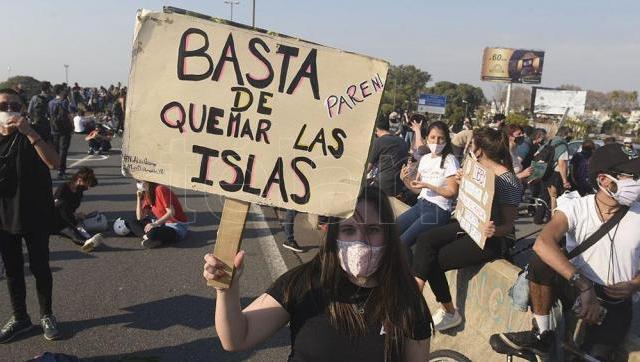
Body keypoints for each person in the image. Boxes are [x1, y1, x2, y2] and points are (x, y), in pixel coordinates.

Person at [203, 186, 432, 361]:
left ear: (389, 235)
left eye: (373, 230)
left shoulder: (407, 299)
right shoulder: (304, 282)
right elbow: (236, 337)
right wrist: (227, 289)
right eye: (348, 230)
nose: (360, 241)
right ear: (333, 235)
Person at [494, 143, 640, 361]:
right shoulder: (577, 207)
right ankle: (543, 335)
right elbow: (543, 243)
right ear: (604, 180)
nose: (637, 183)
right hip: (576, 287)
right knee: (540, 261)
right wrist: (584, 285)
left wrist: (635, 284)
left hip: (615, 301)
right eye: (633, 176)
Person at [412, 127, 522, 331]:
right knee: (425, 240)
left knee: (433, 261)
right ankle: (413, 295)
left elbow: (508, 226)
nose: (469, 149)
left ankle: (447, 311)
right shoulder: (475, 170)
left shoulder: (509, 182)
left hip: (491, 240)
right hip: (466, 226)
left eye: (472, 146)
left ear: (480, 151)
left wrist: (494, 230)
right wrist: (464, 183)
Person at [0, 88, 61, 343]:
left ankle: (47, 314)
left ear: (24, 108)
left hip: (34, 210)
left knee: (40, 266)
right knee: (13, 269)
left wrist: (29, 132)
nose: (9, 110)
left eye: (14, 105)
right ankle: (20, 317)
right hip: (4, 213)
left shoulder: (36, 130)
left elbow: (53, 162)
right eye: (3, 106)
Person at [397, 121, 460, 259]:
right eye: (433, 137)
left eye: (440, 138)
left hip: (438, 210)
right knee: (392, 231)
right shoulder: (425, 159)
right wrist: (405, 179)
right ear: (427, 138)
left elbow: (452, 193)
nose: (436, 142)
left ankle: (407, 277)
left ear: (446, 140)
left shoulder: (450, 160)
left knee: (403, 243)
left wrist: (429, 185)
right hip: (420, 205)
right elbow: (417, 189)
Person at [52, 167, 102, 252]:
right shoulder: (63, 188)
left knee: (79, 226)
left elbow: (70, 209)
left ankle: (88, 240)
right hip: (56, 219)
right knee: (71, 230)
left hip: (69, 217)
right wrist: (74, 219)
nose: (87, 188)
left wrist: (76, 215)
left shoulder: (79, 192)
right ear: (79, 180)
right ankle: (85, 242)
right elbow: (56, 206)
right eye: (86, 184)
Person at [134, 180, 188, 248]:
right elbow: (140, 217)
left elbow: (171, 213)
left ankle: (150, 237)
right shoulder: (147, 192)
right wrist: (138, 198)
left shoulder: (160, 189)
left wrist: (155, 224)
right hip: (162, 224)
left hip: (175, 226)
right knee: (133, 221)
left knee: (152, 233)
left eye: (140, 181)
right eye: (138, 182)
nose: (138, 184)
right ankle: (150, 238)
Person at [367, 116, 409, 198]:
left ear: (375, 129)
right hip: (399, 186)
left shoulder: (379, 142)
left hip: (382, 186)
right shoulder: (402, 141)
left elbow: (367, 168)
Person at [48, 84, 73, 180]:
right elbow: (69, 115)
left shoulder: (51, 102)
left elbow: (49, 114)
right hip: (65, 128)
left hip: (54, 127)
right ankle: (61, 170)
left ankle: (56, 166)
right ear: (60, 91)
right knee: (63, 149)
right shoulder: (64, 102)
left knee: (56, 148)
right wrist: (72, 126)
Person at [545, 126, 573, 210]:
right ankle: (554, 218)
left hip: (547, 172)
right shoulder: (563, 146)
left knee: (551, 196)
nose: (571, 137)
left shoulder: (550, 142)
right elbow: (562, 164)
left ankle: (549, 216)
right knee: (555, 198)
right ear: (565, 135)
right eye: (570, 135)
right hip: (556, 174)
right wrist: (565, 180)